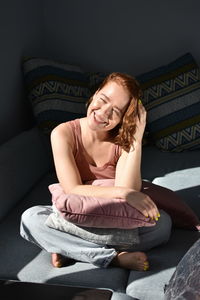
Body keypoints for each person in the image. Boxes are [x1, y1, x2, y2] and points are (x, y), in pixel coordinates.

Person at [20, 72, 172, 271]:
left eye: (116, 111)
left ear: (124, 118)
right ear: (95, 93)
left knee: (162, 226)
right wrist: (123, 193)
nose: (104, 113)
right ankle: (112, 257)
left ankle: (69, 247)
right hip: (77, 217)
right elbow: (72, 188)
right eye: (103, 100)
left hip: (113, 220)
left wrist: (136, 136)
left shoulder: (123, 141)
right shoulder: (63, 133)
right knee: (31, 218)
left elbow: (129, 187)